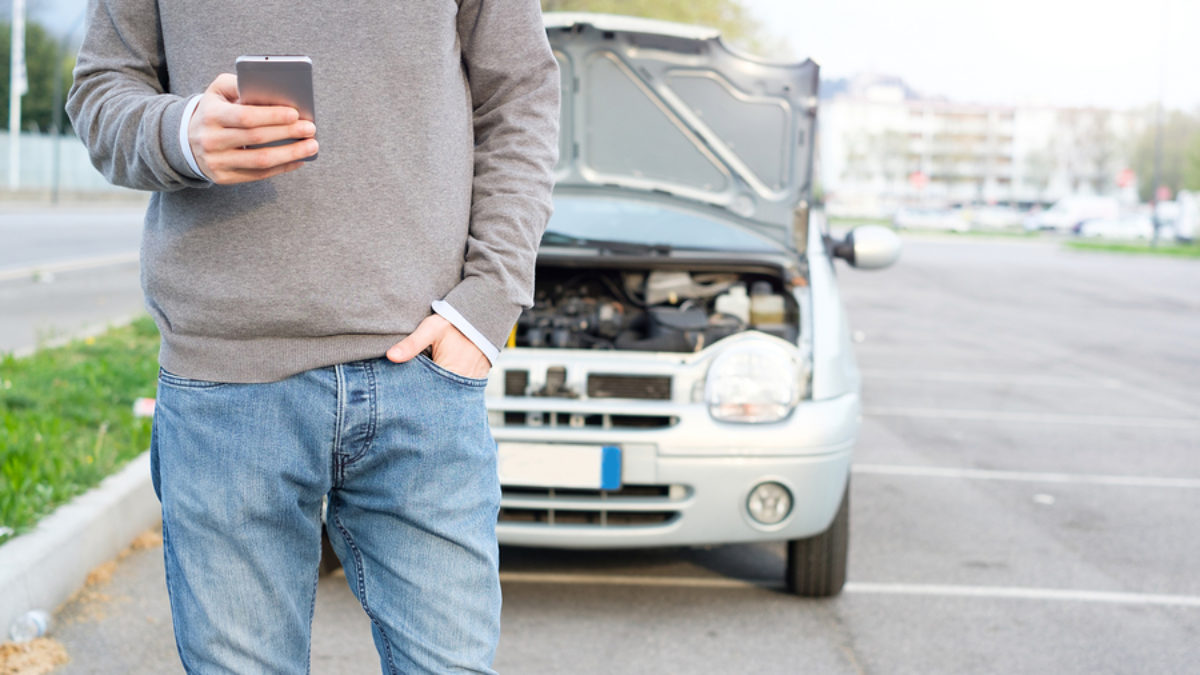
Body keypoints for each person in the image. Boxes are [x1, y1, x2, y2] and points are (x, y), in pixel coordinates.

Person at [66, 0, 560, 671]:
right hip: (225, 381)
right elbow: (101, 92)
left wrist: (486, 305)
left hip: (420, 372)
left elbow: (522, 93)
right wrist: (181, 133)